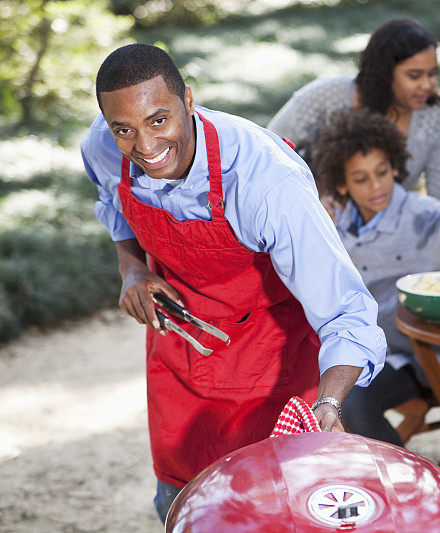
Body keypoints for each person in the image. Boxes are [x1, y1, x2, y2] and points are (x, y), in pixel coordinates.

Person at [81, 44, 386, 523]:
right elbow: (112, 202)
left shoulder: (267, 181)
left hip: (273, 369)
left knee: (277, 514)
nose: (144, 146)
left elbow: (345, 310)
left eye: (159, 120)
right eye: (125, 129)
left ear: (188, 99)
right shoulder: (102, 145)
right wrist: (132, 268)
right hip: (181, 363)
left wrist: (327, 402)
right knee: (182, 509)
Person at [311, 108, 440, 446]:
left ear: (396, 168)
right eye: (361, 179)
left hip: (416, 359)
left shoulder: (424, 214)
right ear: (342, 184)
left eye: (382, 172)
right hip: (355, 351)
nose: (376, 187)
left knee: (354, 405)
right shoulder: (336, 219)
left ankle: (404, 490)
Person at [268, 18, 440, 211]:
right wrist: (306, 199)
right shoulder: (325, 97)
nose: (428, 84)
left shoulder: (438, 115)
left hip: (385, 233)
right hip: (307, 213)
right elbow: (266, 151)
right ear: (385, 73)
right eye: (414, 75)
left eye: (432, 73)